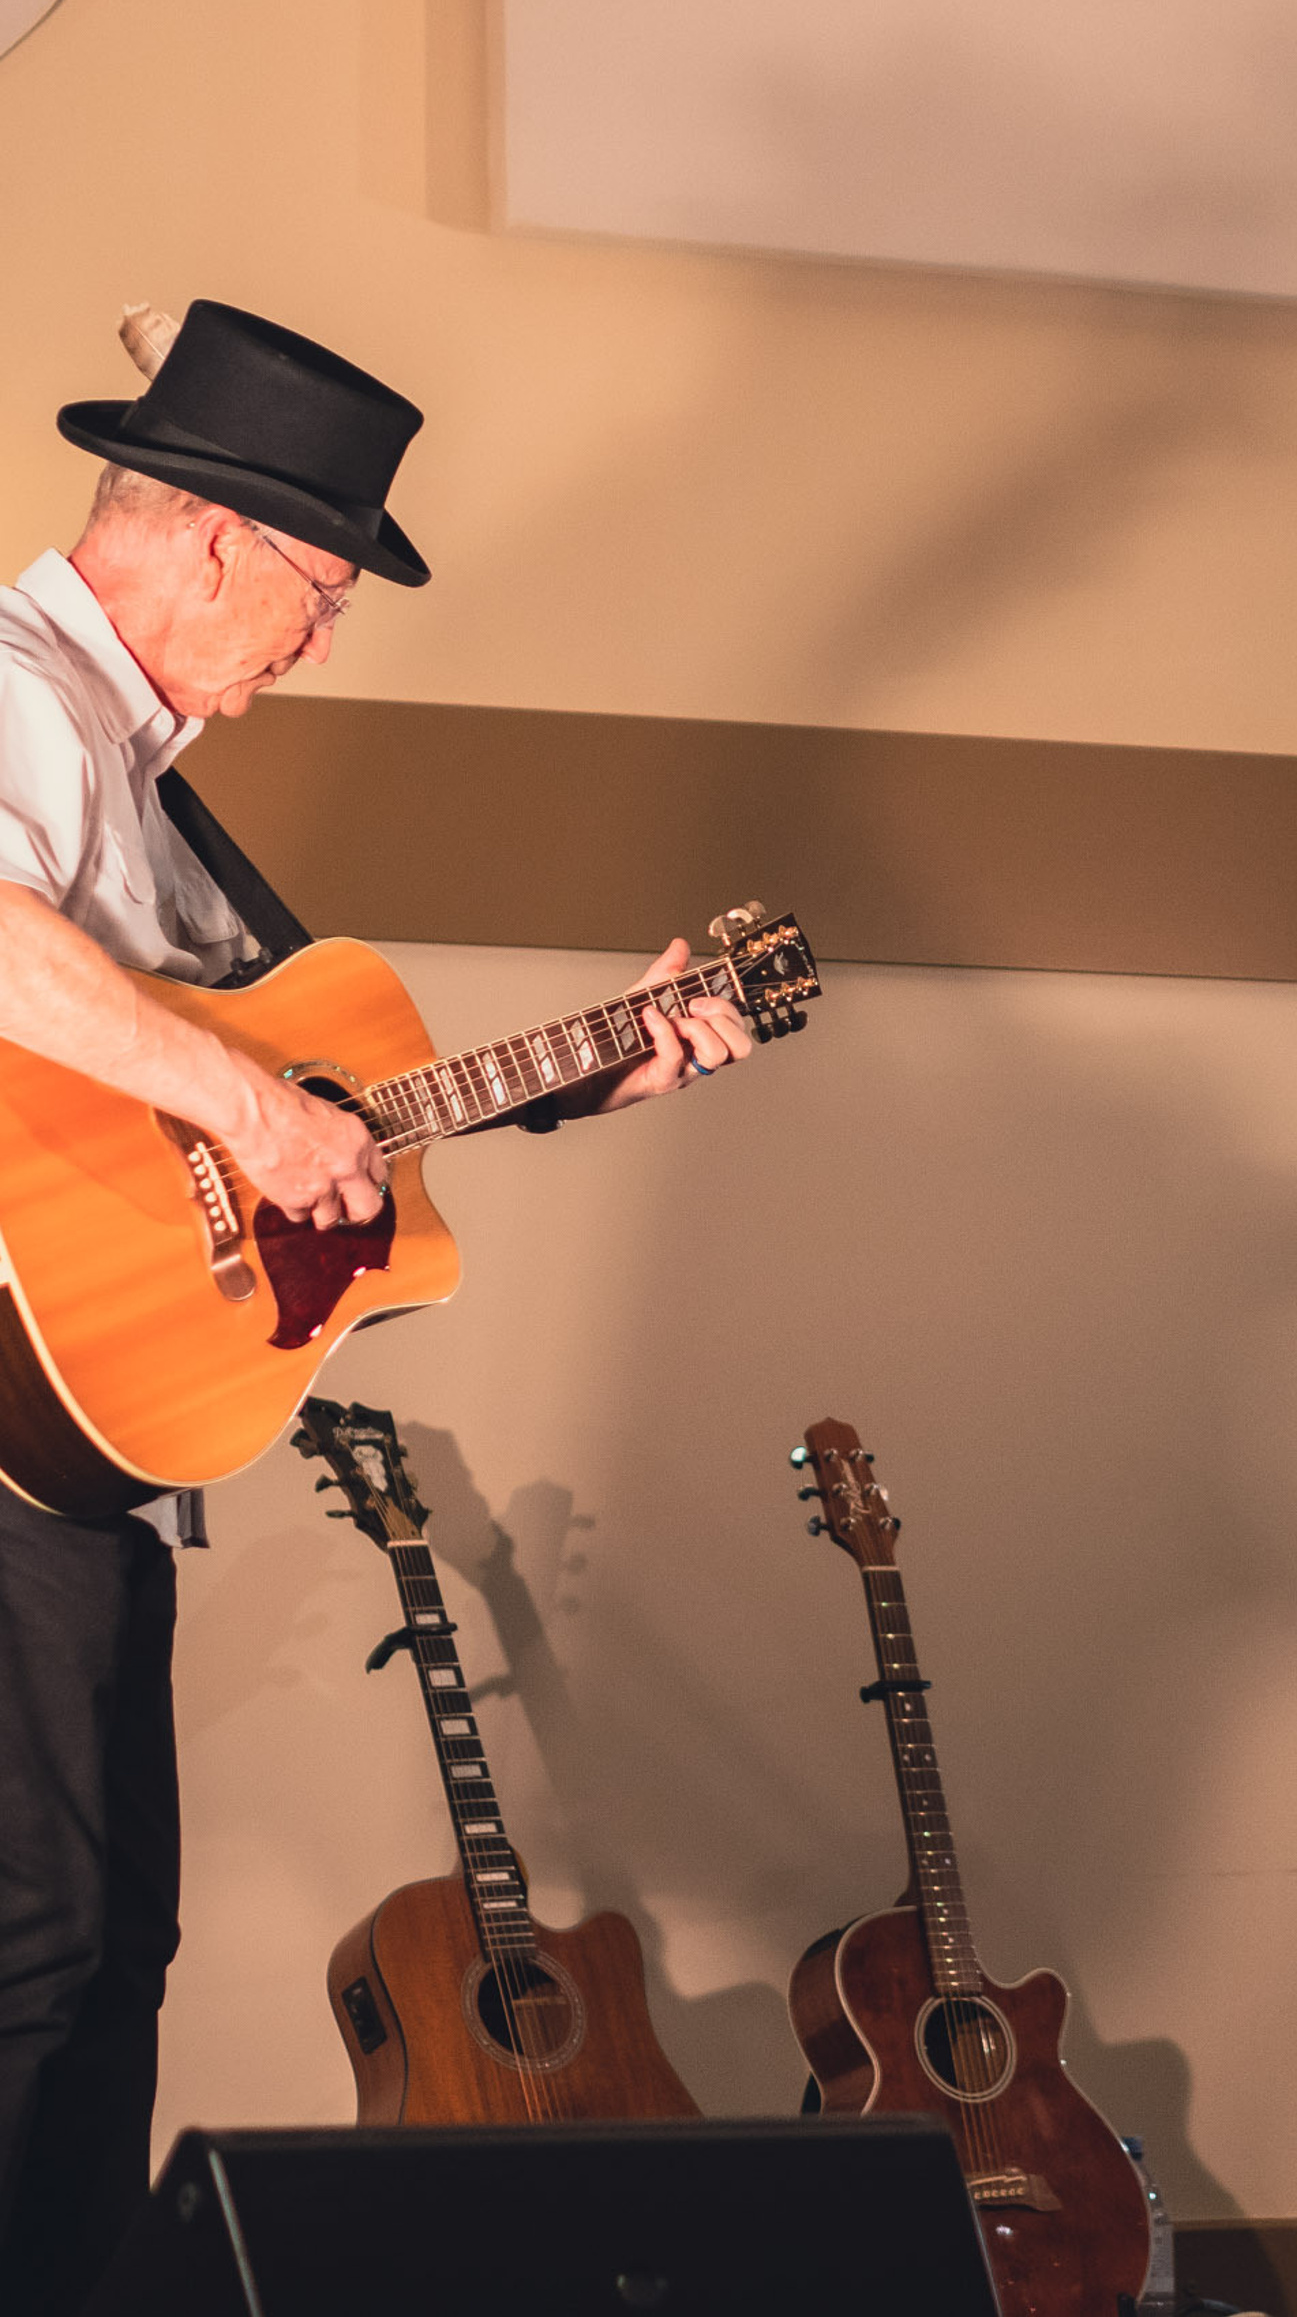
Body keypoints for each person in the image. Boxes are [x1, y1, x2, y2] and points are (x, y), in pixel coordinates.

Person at [0, 301, 755, 2313]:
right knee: (37, 1946)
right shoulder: (21, 695)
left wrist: (581, 1071)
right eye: (319, 592)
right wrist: (246, 1097)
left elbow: (287, 1141)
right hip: (7, 1445)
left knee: (101, 1955)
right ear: (216, 539)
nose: (322, 641)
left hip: (96, 1447)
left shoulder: (139, 784)